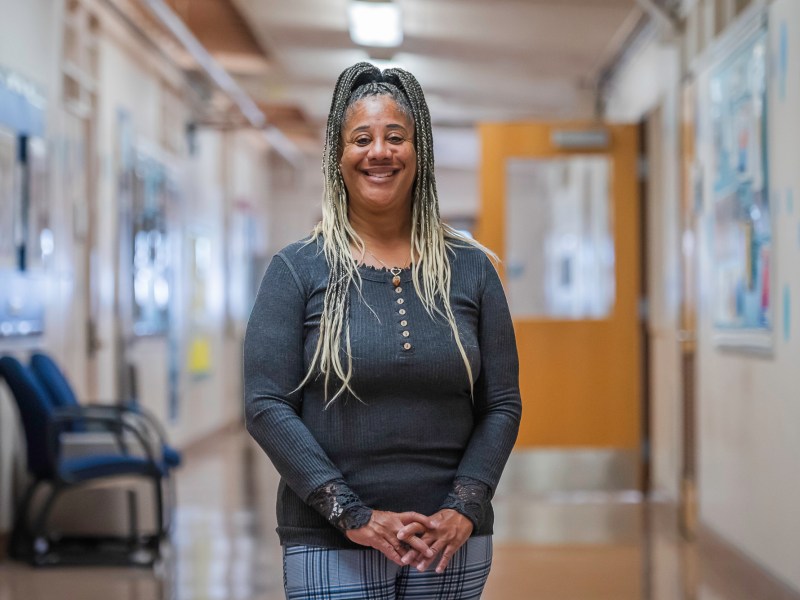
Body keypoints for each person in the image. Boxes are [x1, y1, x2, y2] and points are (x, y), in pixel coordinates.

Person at [244, 62, 522, 600]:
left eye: (396, 137)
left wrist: (464, 507)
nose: (379, 152)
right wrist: (351, 513)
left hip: (448, 543)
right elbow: (265, 404)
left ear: (419, 153)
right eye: (362, 139)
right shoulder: (298, 268)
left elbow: (502, 403)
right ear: (338, 155)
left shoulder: (471, 268)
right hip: (330, 538)